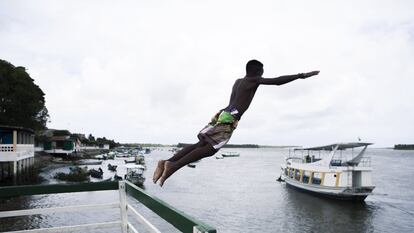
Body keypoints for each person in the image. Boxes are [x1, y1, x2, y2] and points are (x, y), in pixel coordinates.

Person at [153, 60, 319, 186]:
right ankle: (172, 166)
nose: (262, 75)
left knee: (200, 144)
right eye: (261, 72)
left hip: (221, 114)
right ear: (257, 71)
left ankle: (167, 162)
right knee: (210, 150)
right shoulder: (253, 80)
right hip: (230, 118)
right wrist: (301, 75)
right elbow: (277, 81)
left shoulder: (238, 81)